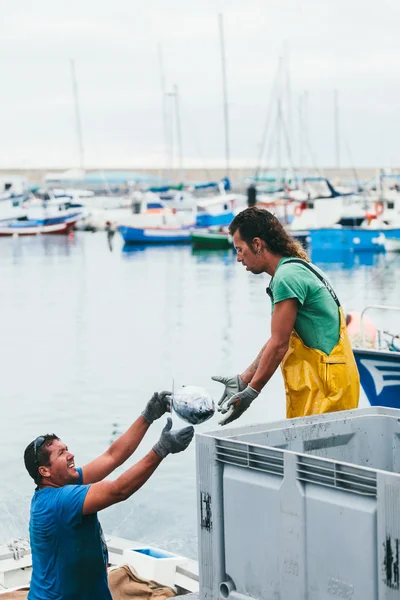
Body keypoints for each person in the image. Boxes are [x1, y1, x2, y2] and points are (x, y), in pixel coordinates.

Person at [23, 391, 194, 599]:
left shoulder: (63, 483)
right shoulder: (59, 502)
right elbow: (119, 490)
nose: (71, 454)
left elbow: (112, 456)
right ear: (44, 471)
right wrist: (161, 449)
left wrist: (147, 416)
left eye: (66, 448)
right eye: (61, 454)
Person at [212, 206, 360, 426]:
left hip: (328, 391)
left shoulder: (287, 277)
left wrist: (251, 393)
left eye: (240, 249)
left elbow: (280, 345)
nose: (238, 258)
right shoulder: (299, 268)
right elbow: (279, 338)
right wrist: (243, 380)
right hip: (330, 383)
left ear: (257, 244)